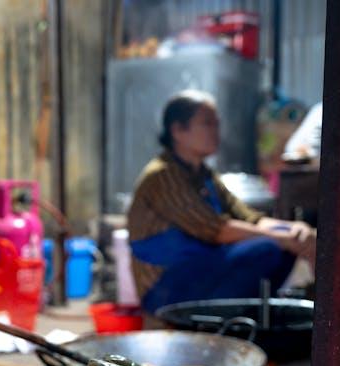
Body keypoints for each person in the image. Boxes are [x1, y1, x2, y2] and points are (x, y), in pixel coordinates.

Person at [128, 90, 316, 314]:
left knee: (287, 245)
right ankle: (216, 322)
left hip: (200, 272)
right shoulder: (162, 176)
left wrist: (294, 230)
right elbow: (216, 230)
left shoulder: (205, 176)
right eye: (207, 123)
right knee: (266, 249)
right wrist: (281, 237)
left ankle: (245, 319)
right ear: (178, 130)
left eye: (216, 123)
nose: (216, 131)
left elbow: (250, 219)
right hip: (164, 288)